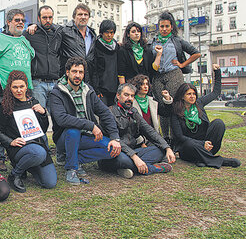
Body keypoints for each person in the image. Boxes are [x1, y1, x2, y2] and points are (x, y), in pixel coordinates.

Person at [48, 57, 121, 185]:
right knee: (73, 130)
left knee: (111, 149)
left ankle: (75, 159)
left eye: (80, 72)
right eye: (74, 71)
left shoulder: (88, 90)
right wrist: (90, 125)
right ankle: (71, 168)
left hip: (86, 136)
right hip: (65, 138)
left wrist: (115, 137)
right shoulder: (57, 92)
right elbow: (61, 119)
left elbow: (104, 112)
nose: (77, 75)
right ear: (67, 72)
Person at [0, 71, 57, 193]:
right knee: (38, 153)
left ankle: (26, 167)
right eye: (15, 87)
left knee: (50, 183)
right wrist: (11, 141)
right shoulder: (6, 106)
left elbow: (43, 130)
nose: (19, 90)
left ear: (26, 86)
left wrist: (43, 114)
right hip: (19, 148)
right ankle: (15, 174)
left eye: (21, 87)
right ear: (10, 88)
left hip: (38, 144)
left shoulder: (33, 102)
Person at [99, 83, 176, 178]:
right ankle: (154, 168)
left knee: (160, 150)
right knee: (124, 160)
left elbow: (149, 131)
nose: (129, 98)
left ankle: (128, 169)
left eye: (132, 96)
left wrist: (167, 148)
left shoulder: (133, 112)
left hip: (132, 151)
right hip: (112, 153)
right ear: (118, 96)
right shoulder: (109, 113)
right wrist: (135, 157)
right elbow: (115, 139)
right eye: (126, 95)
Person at [171, 64, 241, 168]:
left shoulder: (199, 103)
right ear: (182, 96)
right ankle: (223, 161)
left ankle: (201, 159)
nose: (192, 96)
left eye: (194, 94)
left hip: (206, 144)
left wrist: (217, 72)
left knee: (218, 123)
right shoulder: (176, 111)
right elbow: (180, 137)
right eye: (189, 94)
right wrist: (201, 144)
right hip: (189, 147)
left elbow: (216, 92)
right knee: (190, 144)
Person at [151, 11, 200, 141]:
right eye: (162, 26)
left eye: (167, 26)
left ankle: (175, 137)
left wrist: (182, 64)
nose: (164, 29)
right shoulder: (153, 41)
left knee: (174, 106)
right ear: (158, 27)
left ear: (171, 26)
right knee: (162, 107)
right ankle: (165, 137)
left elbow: (196, 53)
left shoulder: (177, 41)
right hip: (157, 77)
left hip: (174, 75)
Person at [0, 9, 35, 104]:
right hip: (3, 94)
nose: (21, 22)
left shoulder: (26, 41)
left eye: (23, 20)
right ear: (8, 22)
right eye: (17, 20)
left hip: (25, 94)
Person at [24, 6, 62, 110]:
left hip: (55, 83)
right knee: (39, 117)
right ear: (39, 18)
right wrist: (32, 25)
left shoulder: (58, 34)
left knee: (57, 118)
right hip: (37, 83)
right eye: (44, 18)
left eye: (50, 17)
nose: (48, 20)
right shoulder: (30, 34)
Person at [59, 4, 97, 86]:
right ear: (74, 17)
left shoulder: (93, 34)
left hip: (87, 80)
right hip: (69, 80)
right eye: (80, 14)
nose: (83, 17)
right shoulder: (65, 31)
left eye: (86, 15)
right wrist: (34, 26)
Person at [93, 20, 119, 106]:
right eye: (106, 32)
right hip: (101, 90)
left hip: (115, 89)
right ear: (101, 33)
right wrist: (96, 89)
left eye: (111, 32)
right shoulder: (96, 46)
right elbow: (94, 70)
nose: (109, 35)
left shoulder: (117, 47)